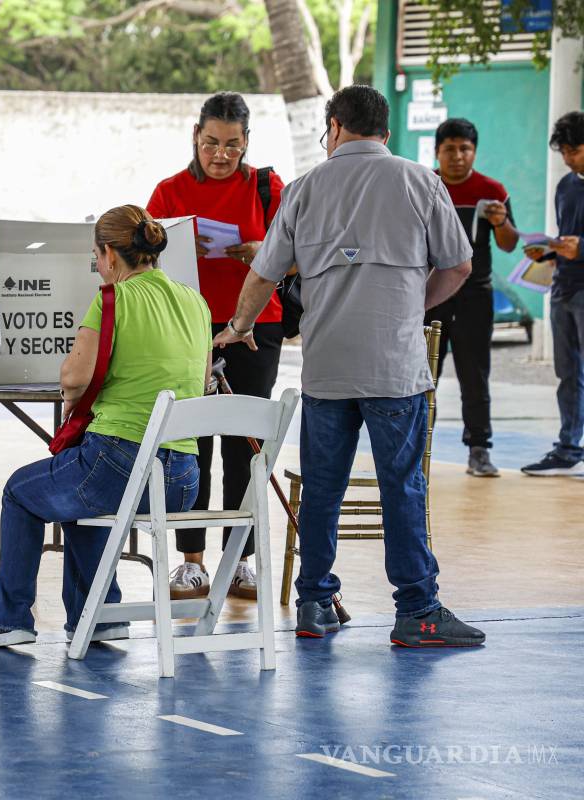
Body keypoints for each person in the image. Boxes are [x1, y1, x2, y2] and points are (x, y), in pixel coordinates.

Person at [214, 85, 486, 648]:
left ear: (333, 127)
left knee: (322, 489)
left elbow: (264, 274)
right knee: (402, 487)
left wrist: (238, 328)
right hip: (395, 367)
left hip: (328, 370)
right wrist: (410, 308)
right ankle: (417, 610)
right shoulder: (419, 181)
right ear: (384, 132)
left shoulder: (306, 188)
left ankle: (314, 602)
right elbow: (459, 266)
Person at [0, 205, 209, 648]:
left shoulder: (112, 298)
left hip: (118, 467)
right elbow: (197, 382)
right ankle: (97, 617)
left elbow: (74, 377)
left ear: (110, 256)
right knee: (76, 499)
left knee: (20, 492)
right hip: (182, 480)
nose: (98, 267)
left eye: (97, 257)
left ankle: (9, 620)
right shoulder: (195, 301)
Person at [146, 91, 284, 602]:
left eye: (231, 144)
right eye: (210, 143)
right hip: (188, 330)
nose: (221, 154)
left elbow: (297, 255)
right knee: (191, 442)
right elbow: (145, 260)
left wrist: (261, 252)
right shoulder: (169, 192)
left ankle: (240, 561)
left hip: (255, 328)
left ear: (247, 142)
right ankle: (192, 563)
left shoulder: (269, 189)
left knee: (243, 444)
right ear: (195, 138)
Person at [428, 118, 518, 478]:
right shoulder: (425, 185)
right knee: (421, 373)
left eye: (464, 148)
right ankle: (415, 444)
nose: (457, 156)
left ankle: (479, 449)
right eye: (449, 149)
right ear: (438, 152)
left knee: (475, 374)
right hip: (430, 292)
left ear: (474, 152)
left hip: (475, 295)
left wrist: (500, 223)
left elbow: (510, 243)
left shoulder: (491, 190)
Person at [521, 111, 584, 477]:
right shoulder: (565, 186)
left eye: (573, 150)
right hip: (563, 290)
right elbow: (566, 237)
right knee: (568, 374)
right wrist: (546, 250)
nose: (567, 158)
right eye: (563, 152)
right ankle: (568, 446)